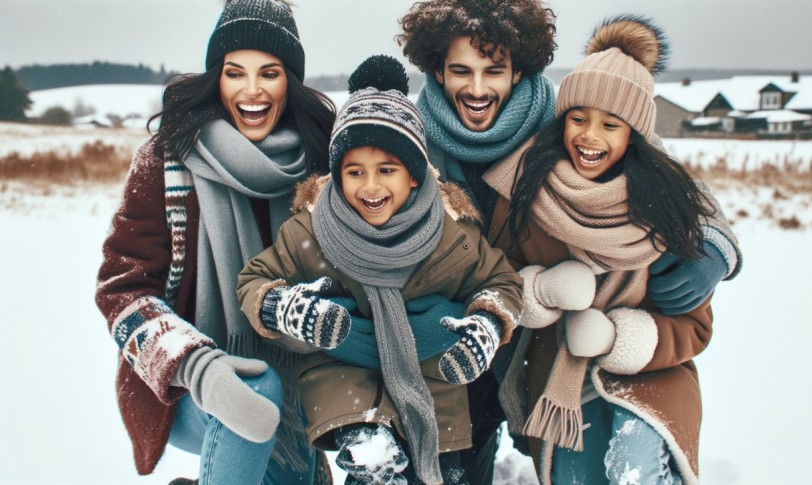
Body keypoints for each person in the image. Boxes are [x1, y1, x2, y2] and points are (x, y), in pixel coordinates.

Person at [396, 1, 743, 483]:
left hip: (529, 345)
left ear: (518, 72)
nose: (477, 88)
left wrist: (715, 245)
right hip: (455, 333)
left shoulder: (559, 121)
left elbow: (659, 171)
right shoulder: (413, 137)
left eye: (493, 70)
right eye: (461, 71)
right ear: (437, 68)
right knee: (451, 463)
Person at [236, 55, 523, 485]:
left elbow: (502, 282)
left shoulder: (451, 234)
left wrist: (485, 324)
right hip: (349, 396)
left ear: (413, 176)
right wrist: (289, 309)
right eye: (354, 172)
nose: (370, 187)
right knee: (375, 471)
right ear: (337, 174)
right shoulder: (311, 230)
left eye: (387, 170)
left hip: (437, 398)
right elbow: (253, 282)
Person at [94, 1, 337, 483]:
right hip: (185, 387)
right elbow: (121, 292)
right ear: (216, 78)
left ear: (289, 80)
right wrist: (198, 366)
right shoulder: (167, 158)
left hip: (308, 377)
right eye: (235, 73)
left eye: (269, 73)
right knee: (258, 390)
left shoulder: (320, 163)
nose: (252, 91)